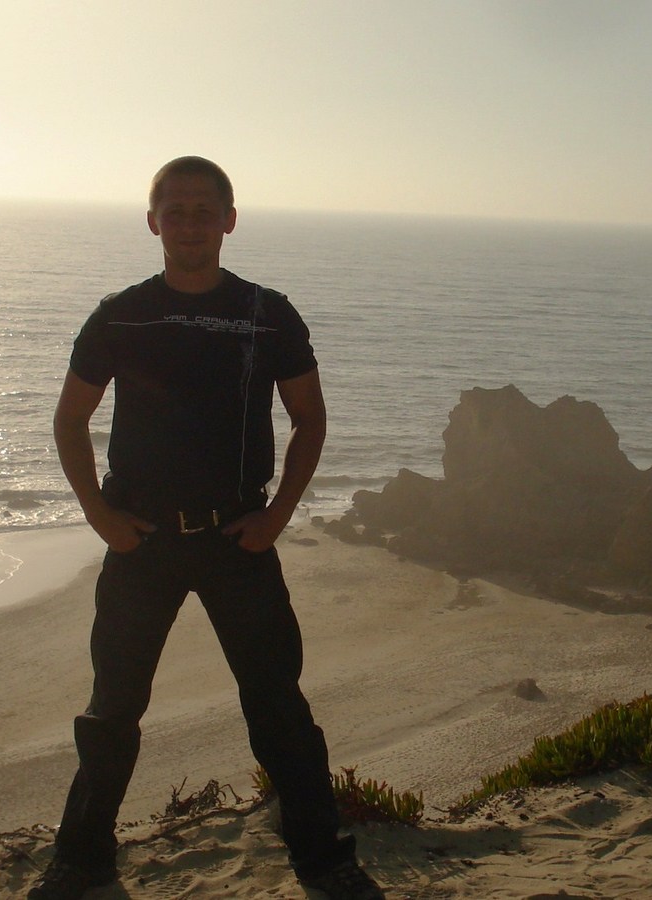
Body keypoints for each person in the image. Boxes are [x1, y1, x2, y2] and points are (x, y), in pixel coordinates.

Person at [28, 157, 385, 900]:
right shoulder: (120, 315)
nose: (189, 222)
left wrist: (278, 515)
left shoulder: (268, 313)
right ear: (152, 221)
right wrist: (99, 514)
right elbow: (70, 419)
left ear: (229, 219)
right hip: (143, 541)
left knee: (278, 707)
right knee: (112, 710)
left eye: (203, 209)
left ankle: (324, 859)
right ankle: (82, 858)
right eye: (175, 209)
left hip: (237, 540)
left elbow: (310, 418)